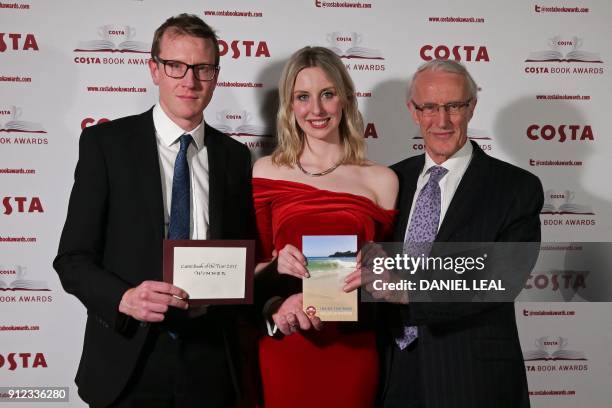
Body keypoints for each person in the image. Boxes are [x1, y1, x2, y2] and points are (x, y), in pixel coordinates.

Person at [53, 14, 255, 408]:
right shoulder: (106, 145)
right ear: (154, 69)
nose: (189, 80)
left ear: (216, 75)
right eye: (176, 65)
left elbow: (242, 258)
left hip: (211, 358)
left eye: (203, 68)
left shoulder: (234, 156)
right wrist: (124, 298)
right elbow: (72, 260)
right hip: (129, 355)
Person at [380, 59, 543, 407]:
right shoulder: (390, 181)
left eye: (454, 106)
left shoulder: (516, 188)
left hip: (472, 377)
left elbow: (501, 279)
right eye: (429, 107)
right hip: (392, 372)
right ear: (413, 110)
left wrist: (408, 291)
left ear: (471, 107)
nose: (442, 120)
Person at [252, 46, 398, 408]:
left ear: (346, 99)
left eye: (327, 94)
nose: (316, 110)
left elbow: (387, 280)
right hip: (288, 346)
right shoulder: (266, 171)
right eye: (303, 97)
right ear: (289, 105)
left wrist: (380, 274)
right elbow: (249, 271)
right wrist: (275, 279)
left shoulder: (382, 180)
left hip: (353, 348)